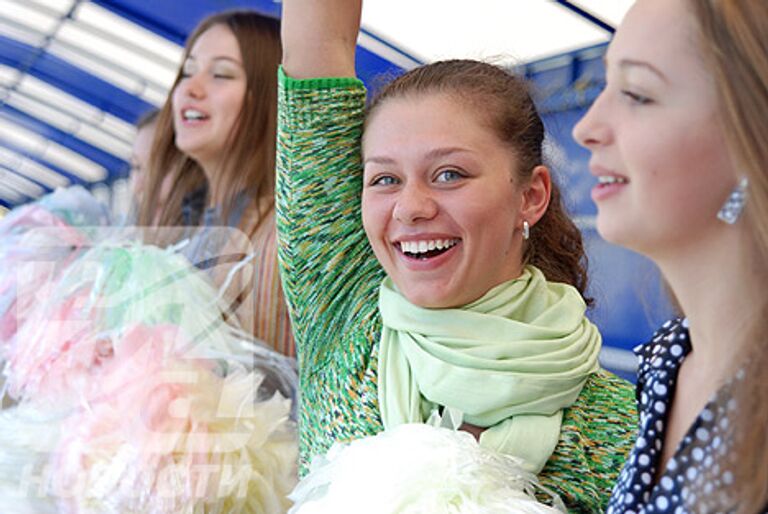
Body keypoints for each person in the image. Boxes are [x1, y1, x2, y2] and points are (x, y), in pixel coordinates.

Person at [276, 0, 637, 511]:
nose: (411, 207)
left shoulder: (618, 426)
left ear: (531, 196)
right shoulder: (339, 302)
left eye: (449, 174)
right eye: (384, 179)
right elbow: (317, 43)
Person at [572, 0, 768, 512]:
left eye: (637, 94)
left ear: (754, 137)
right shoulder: (668, 360)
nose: (585, 127)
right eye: (603, 87)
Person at [138, 10, 294, 357]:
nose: (190, 88)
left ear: (268, 97)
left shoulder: (276, 239)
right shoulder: (187, 224)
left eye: (221, 74)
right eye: (188, 71)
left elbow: (268, 388)